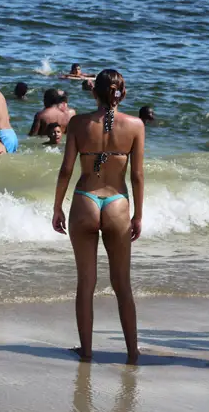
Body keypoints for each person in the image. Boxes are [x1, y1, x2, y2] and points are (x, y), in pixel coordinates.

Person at [52, 69, 144, 364]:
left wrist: (57, 207)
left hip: (84, 202)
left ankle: (87, 351)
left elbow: (66, 170)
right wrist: (139, 214)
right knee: (122, 285)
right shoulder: (136, 125)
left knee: (86, 284)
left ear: (94, 92)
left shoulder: (78, 123)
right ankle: (132, 352)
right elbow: (138, 176)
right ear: (122, 93)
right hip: (117, 203)